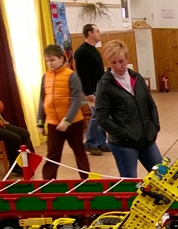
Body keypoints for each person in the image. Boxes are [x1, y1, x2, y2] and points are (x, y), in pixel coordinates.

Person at [93, 40, 162, 178]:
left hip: (147, 139)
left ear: (127, 59)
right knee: (129, 181)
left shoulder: (138, 78)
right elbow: (101, 117)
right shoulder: (104, 85)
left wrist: (154, 126)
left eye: (121, 61)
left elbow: (151, 104)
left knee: (162, 176)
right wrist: (123, 133)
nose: (118, 66)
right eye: (113, 63)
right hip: (124, 144)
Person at [37, 45, 90, 180]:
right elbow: (42, 100)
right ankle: (48, 183)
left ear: (62, 58)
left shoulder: (71, 76)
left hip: (73, 123)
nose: (50, 63)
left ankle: (86, 181)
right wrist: (40, 122)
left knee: (79, 152)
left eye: (53, 60)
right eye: (47, 61)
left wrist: (67, 120)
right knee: (52, 155)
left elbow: (76, 100)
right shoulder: (45, 77)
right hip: (53, 123)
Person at [0, 66, 34, 176]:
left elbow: (1, 105)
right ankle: (15, 166)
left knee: (24, 134)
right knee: (14, 138)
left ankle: (25, 164)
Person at [74, 23, 108, 156]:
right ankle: (91, 143)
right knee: (97, 116)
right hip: (92, 90)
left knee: (102, 115)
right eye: (97, 31)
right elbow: (82, 74)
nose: (100, 33)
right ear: (90, 33)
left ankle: (101, 142)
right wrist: (88, 92)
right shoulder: (82, 52)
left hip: (100, 88)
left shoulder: (93, 50)